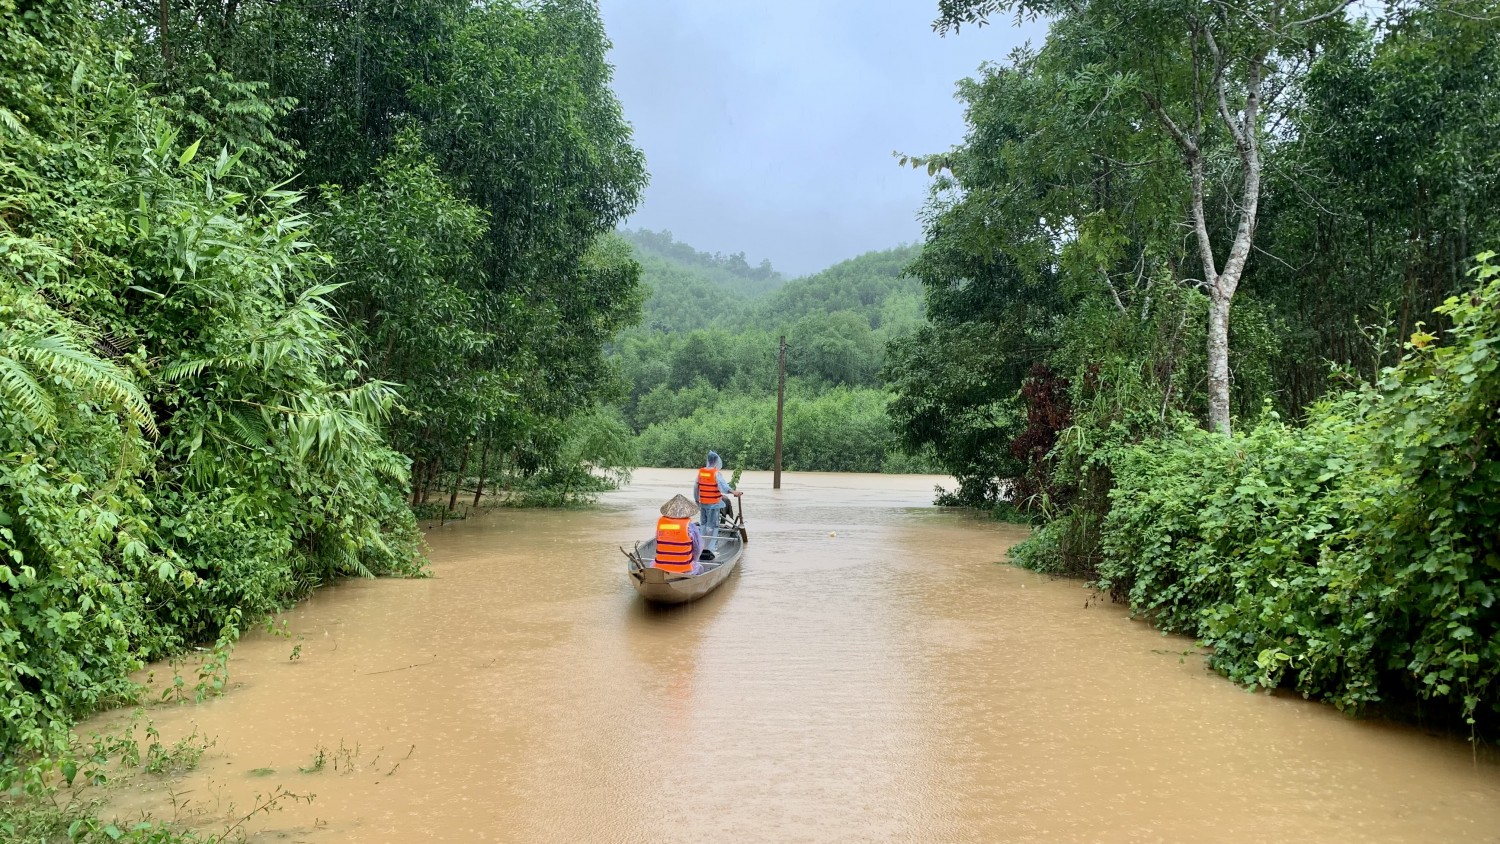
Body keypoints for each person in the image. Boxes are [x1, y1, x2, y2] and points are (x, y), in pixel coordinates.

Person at [693, 451, 742, 553]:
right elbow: (723, 486)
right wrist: (733, 492)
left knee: (704, 524)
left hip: (703, 503)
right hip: (714, 504)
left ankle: (701, 546)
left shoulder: (701, 472)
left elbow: (695, 487)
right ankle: (711, 548)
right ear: (716, 461)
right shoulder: (716, 473)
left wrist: (697, 500)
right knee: (714, 526)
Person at [654, 494, 704, 575]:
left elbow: (657, 543)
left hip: (661, 569)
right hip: (683, 569)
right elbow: (698, 549)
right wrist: (693, 560)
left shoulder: (661, 524)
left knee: (653, 563)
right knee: (700, 567)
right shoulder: (690, 526)